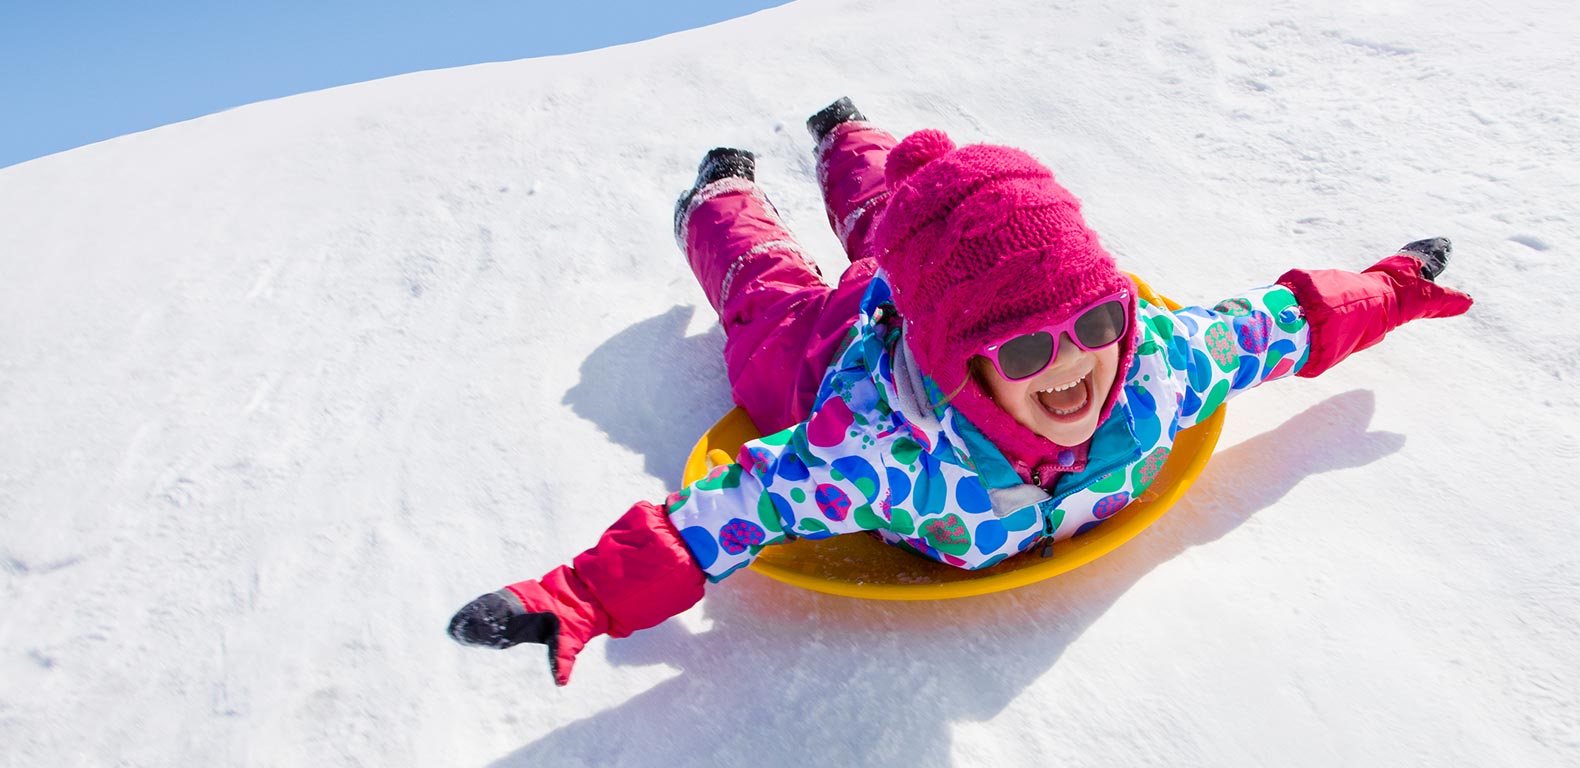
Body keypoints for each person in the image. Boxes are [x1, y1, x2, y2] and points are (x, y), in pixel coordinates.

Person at [448, 98, 1474, 685]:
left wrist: (1396, 285)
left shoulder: (1155, 363)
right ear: (961, 364)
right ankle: (718, 196)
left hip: (929, 296)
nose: (1075, 368)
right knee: (770, 299)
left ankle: (848, 137)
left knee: (905, 211)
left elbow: (1281, 324)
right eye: (1027, 354)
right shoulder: (880, 451)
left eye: (1097, 324)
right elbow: (731, 509)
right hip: (829, 350)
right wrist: (581, 593)